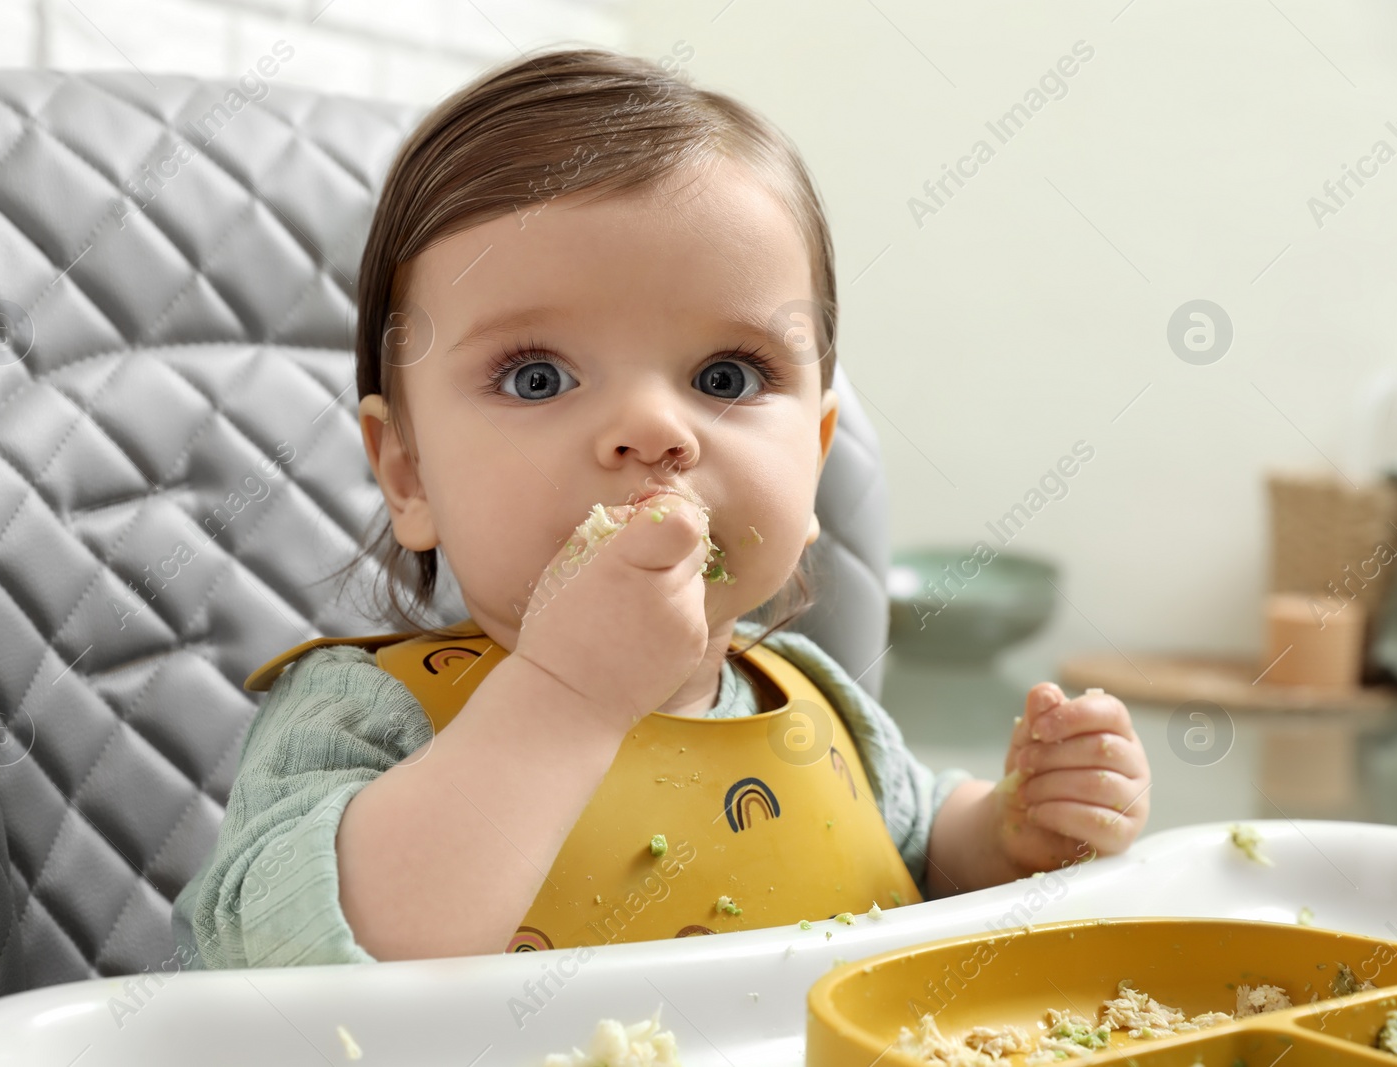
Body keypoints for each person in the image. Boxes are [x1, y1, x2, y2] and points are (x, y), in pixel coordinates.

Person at [172, 46, 1151, 969]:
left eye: (725, 375)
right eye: (538, 377)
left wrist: (1014, 829)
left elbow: (920, 844)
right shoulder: (364, 722)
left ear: (812, 463)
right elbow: (298, 967)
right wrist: (563, 696)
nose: (652, 430)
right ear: (409, 474)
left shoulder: (820, 710)